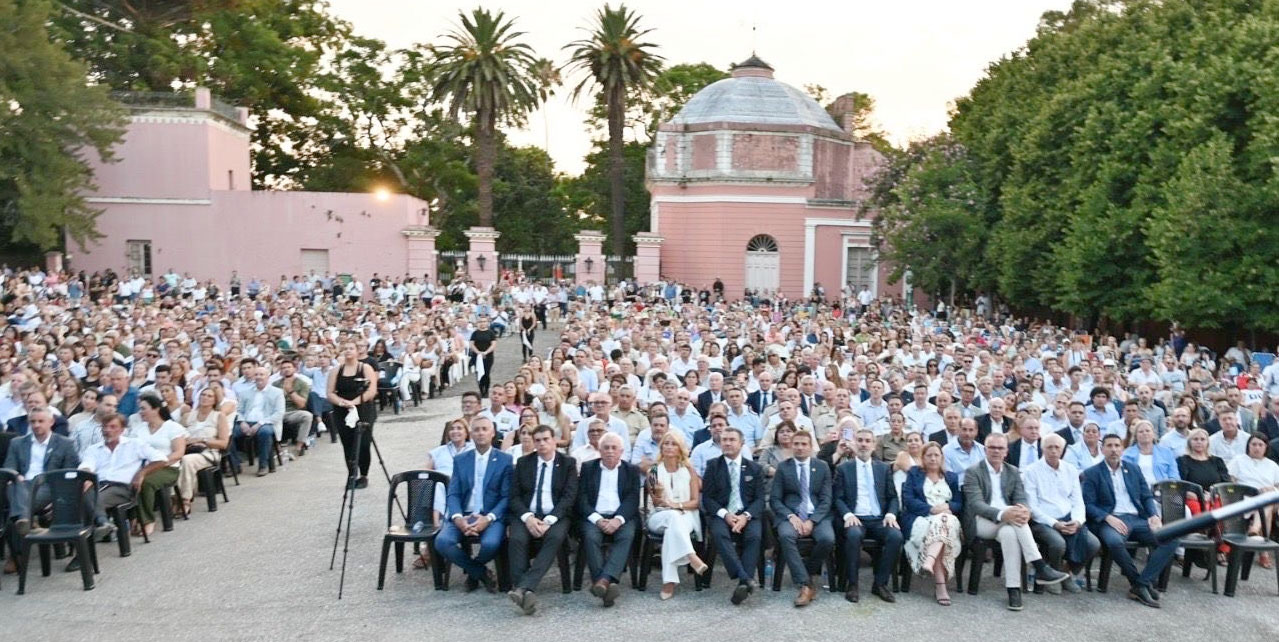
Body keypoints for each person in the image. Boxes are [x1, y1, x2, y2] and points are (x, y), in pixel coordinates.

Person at [962, 432, 1069, 611]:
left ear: (1006, 451)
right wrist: (1003, 514)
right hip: (981, 521)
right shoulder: (973, 471)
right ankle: (1039, 566)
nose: (996, 451)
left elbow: (1021, 498)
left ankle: (1014, 589)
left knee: (1010, 533)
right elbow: (976, 504)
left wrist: (1025, 510)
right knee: (1016, 522)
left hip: (1009, 522)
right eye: (992, 447)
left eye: (1000, 448)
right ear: (985, 450)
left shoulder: (1012, 471)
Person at [1081, 434, 1179, 608]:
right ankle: (1139, 584)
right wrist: (1107, 517)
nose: (1113, 449)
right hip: (1111, 519)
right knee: (1114, 542)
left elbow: (1146, 496)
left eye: (1117, 446)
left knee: (1171, 538)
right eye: (1109, 446)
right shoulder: (1092, 473)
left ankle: (1141, 583)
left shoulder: (1133, 469)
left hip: (1136, 518)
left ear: (1122, 449)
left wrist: (1153, 516)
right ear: (1102, 449)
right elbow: (1088, 504)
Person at [75, 412, 165, 569]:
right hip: (99, 485)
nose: (107, 430)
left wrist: (141, 473)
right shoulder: (94, 449)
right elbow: (86, 465)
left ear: (122, 430)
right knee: (84, 496)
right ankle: (102, 524)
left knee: (87, 500)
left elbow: (161, 459)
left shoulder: (134, 444)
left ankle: (84, 552)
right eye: (105, 427)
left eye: (113, 427)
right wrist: (87, 476)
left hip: (122, 488)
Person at [434, 416, 512, 593]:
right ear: (471, 434)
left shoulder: (504, 460)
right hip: (465, 514)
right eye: (476, 430)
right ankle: (481, 572)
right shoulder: (461, 459)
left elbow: (506, 497)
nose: (480, 433)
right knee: (442, 542)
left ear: (493, 433)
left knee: (491, 544)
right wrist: (458, 517)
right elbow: (453, 493)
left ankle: (473, 573)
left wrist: (488, 518)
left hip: (490, 516)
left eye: (485, 429)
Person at [506, 425, 578, 615]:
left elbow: (569, 496)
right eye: (537, 440)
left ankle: (522, 588)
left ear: (554, 441)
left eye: (546, 439)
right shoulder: (523, 463)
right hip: (527, 514)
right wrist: (528, 518)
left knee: (555, 538)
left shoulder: (567, 463)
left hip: (556, 515)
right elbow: (514, 496)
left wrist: (550, 520)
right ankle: (526, 593)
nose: (542, 443)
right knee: (517, 539)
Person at [833, 428, 903, 603]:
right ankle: (852, 584)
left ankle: (880, 584)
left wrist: (891, 514)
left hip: (879, 519)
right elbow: (837, 498)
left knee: (896, 536)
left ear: (874, 445)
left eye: (867, 441)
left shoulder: (883, 468)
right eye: (860, 440)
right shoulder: (844, 469)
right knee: (853, 535)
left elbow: (892, 497)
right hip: (856, 517)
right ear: (854, 443)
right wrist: (848, 514)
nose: (863, 444)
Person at [1022, 433, 1097, 594]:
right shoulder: (1031, 471)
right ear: (1042, 449)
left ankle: (1066, 573)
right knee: (1058, 543)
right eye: (1049, 447)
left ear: (1063, 450)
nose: (1054, 451)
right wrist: (1055, 523)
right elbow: (1032, 506)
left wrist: (1077, 521)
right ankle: (1053, 576)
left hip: (1068, 519)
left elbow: (1077, 501)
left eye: (1057, 447)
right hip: (1042, 521)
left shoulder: (1070, 470)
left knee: (1093, 544)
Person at [3, 408, 80, 563]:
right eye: (33, 422)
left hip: (48, 486)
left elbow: (69, 473)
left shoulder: (65, 443)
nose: (36, 425)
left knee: (14, 507)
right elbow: (9, 467)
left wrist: (60, 496)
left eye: (40, 421)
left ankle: (17, 555)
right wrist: (15, 475)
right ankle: (27, 521)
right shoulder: (17, 443)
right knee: (14, 487)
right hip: (21, 484)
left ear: (51, 422)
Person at [700, 427, 765, 605]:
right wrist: (725, 514)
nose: (727, 443)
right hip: (722, 514)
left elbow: (760, 499)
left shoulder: (754, 468)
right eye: (724, 440)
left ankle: (744, 583)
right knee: (719, 534)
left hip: (747, 514)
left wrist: (745, 516)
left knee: (754, 536)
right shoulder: (713, 466)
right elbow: (707, 498)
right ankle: (745, 578)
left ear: (742, 443)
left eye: (732, 440)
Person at [770, 429, 834, 607]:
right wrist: (791, 516)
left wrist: (812, 521)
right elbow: (775, 499)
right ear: (791, 446)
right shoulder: (783, 467)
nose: (799, 447)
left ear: (811, 446)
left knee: (828, 539)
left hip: (817, 516)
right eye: (796, 444)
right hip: (791, 516)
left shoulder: (822, 466)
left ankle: (805, 571)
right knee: (786, 536)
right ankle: (805, 584)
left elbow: (826, 499)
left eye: (804, 444)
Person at [577, 432, 640, 608]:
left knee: (626, 535)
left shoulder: (631, 470)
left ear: (621, 451)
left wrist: (618, 519)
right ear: (600, 450)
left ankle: (602, 581)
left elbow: (633, 498)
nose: (610, 451)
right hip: (595, 517)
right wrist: (597, 519)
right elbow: (581, 498)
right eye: (606, 447)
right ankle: (607, 584)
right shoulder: (589, 468)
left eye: (614, 448)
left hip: (621, 517)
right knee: (591, 537)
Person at [646, 430, 708, 600]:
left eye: (673, 444)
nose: (669, 447)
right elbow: (656, 502)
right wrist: (659, 493)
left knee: (672, 530)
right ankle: (691, 556)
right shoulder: (653, 470)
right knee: (672, 518)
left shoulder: (689, 470)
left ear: (680, 448)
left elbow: (695, 502)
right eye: (666, 443)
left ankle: (669, 582)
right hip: (659, 515)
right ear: (661, 447)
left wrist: (677, 505)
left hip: (687, 514)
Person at [901, 441, 963, 606]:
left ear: (942, 457)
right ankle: (940, 586)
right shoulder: (914, 473)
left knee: (944, 522)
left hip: (947, 519)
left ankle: (929, 560)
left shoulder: (951, 477)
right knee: (942, 528)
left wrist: (948, 506)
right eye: (929, 455)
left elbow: (959, 503)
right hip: (921, 518)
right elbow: (908, 500)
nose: (933, 458)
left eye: (936, 455)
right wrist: (931, 509)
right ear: (923, 458)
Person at [129, 393, 187, 537]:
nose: (140, 412)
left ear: (155, 409)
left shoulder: (172, 427)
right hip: (142, 466)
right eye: (140, 409)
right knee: (126, 480)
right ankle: (133, 518)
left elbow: (179, 453)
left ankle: (147, 520)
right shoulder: (139, 429)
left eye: (144, 408)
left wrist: (159, 461)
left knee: (146, 482)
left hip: (167, 467)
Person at [327, 342, 377, 488]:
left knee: (364, 443)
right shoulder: (336, 370)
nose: (348, 351)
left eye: (351, 348)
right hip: (342, 409)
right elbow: (330, 392)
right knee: (347, 443)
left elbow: (371, 391)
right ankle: (351, 474)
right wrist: (342, 403)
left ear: (357, 351)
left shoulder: (365, 368)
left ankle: (364, 475)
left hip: (363, 408)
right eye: (345, 348)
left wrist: (355, 402)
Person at [1227, 434, 1279, 567]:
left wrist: (1271, 488)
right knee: (1266, 508)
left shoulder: (1272, 465)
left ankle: (1255, 529)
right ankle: (1263, 552)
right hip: (1244, 497)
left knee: (1267, 500)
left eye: (1260, 445)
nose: (1257, 448)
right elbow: (1231, 482)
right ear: (1248, 446)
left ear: (1266, 447)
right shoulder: (1239, 460)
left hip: (1268, 498)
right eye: (1254, 444)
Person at [177, 387, 231, 514]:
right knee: (173, 461)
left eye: (209, 396)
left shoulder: (219, 416)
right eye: (203, 394)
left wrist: (202, 440)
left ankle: (185, 500)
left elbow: (224, 443)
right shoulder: (187, 416)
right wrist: (186, 441)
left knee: (187, 461)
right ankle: (174, 498)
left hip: (208, 452)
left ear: (215, 400)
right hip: (188, 449)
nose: (205, 397)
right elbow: (177, 435)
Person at [237, 365, 285, 478]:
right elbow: (238, 411)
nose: (258, 377)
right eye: (256, 375)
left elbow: (279, 413)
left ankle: (263, 465)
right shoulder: (245, 392)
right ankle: (235, 465)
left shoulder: (277, 392)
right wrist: (242, 422)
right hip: (247, 422)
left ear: (268, 377)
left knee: (264, 432)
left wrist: (260, 423)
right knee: (230, 433)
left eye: (261, 374)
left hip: (267, 422)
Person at [1121, 420, 1178, 486]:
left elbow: (1174, 476)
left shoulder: (1166, 453)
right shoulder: (1127, 454)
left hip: (1163, 489)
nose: (1145, 433)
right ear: (1136, 436)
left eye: (1147, 431)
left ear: (1153, 434)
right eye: (1141, 432)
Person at [469, 315, 497, 398]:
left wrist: (486, 352)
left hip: (488, 356)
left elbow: (493, 344)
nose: (482, 323)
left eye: (484, 321)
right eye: (480, 322)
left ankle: (486, 390)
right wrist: (478, 352)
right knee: (479, 373)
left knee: (486, 374)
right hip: (477, 356)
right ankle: (481, 390)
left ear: (487, 323)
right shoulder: (475, 333)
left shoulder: (491, 333)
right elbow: (472, 344)